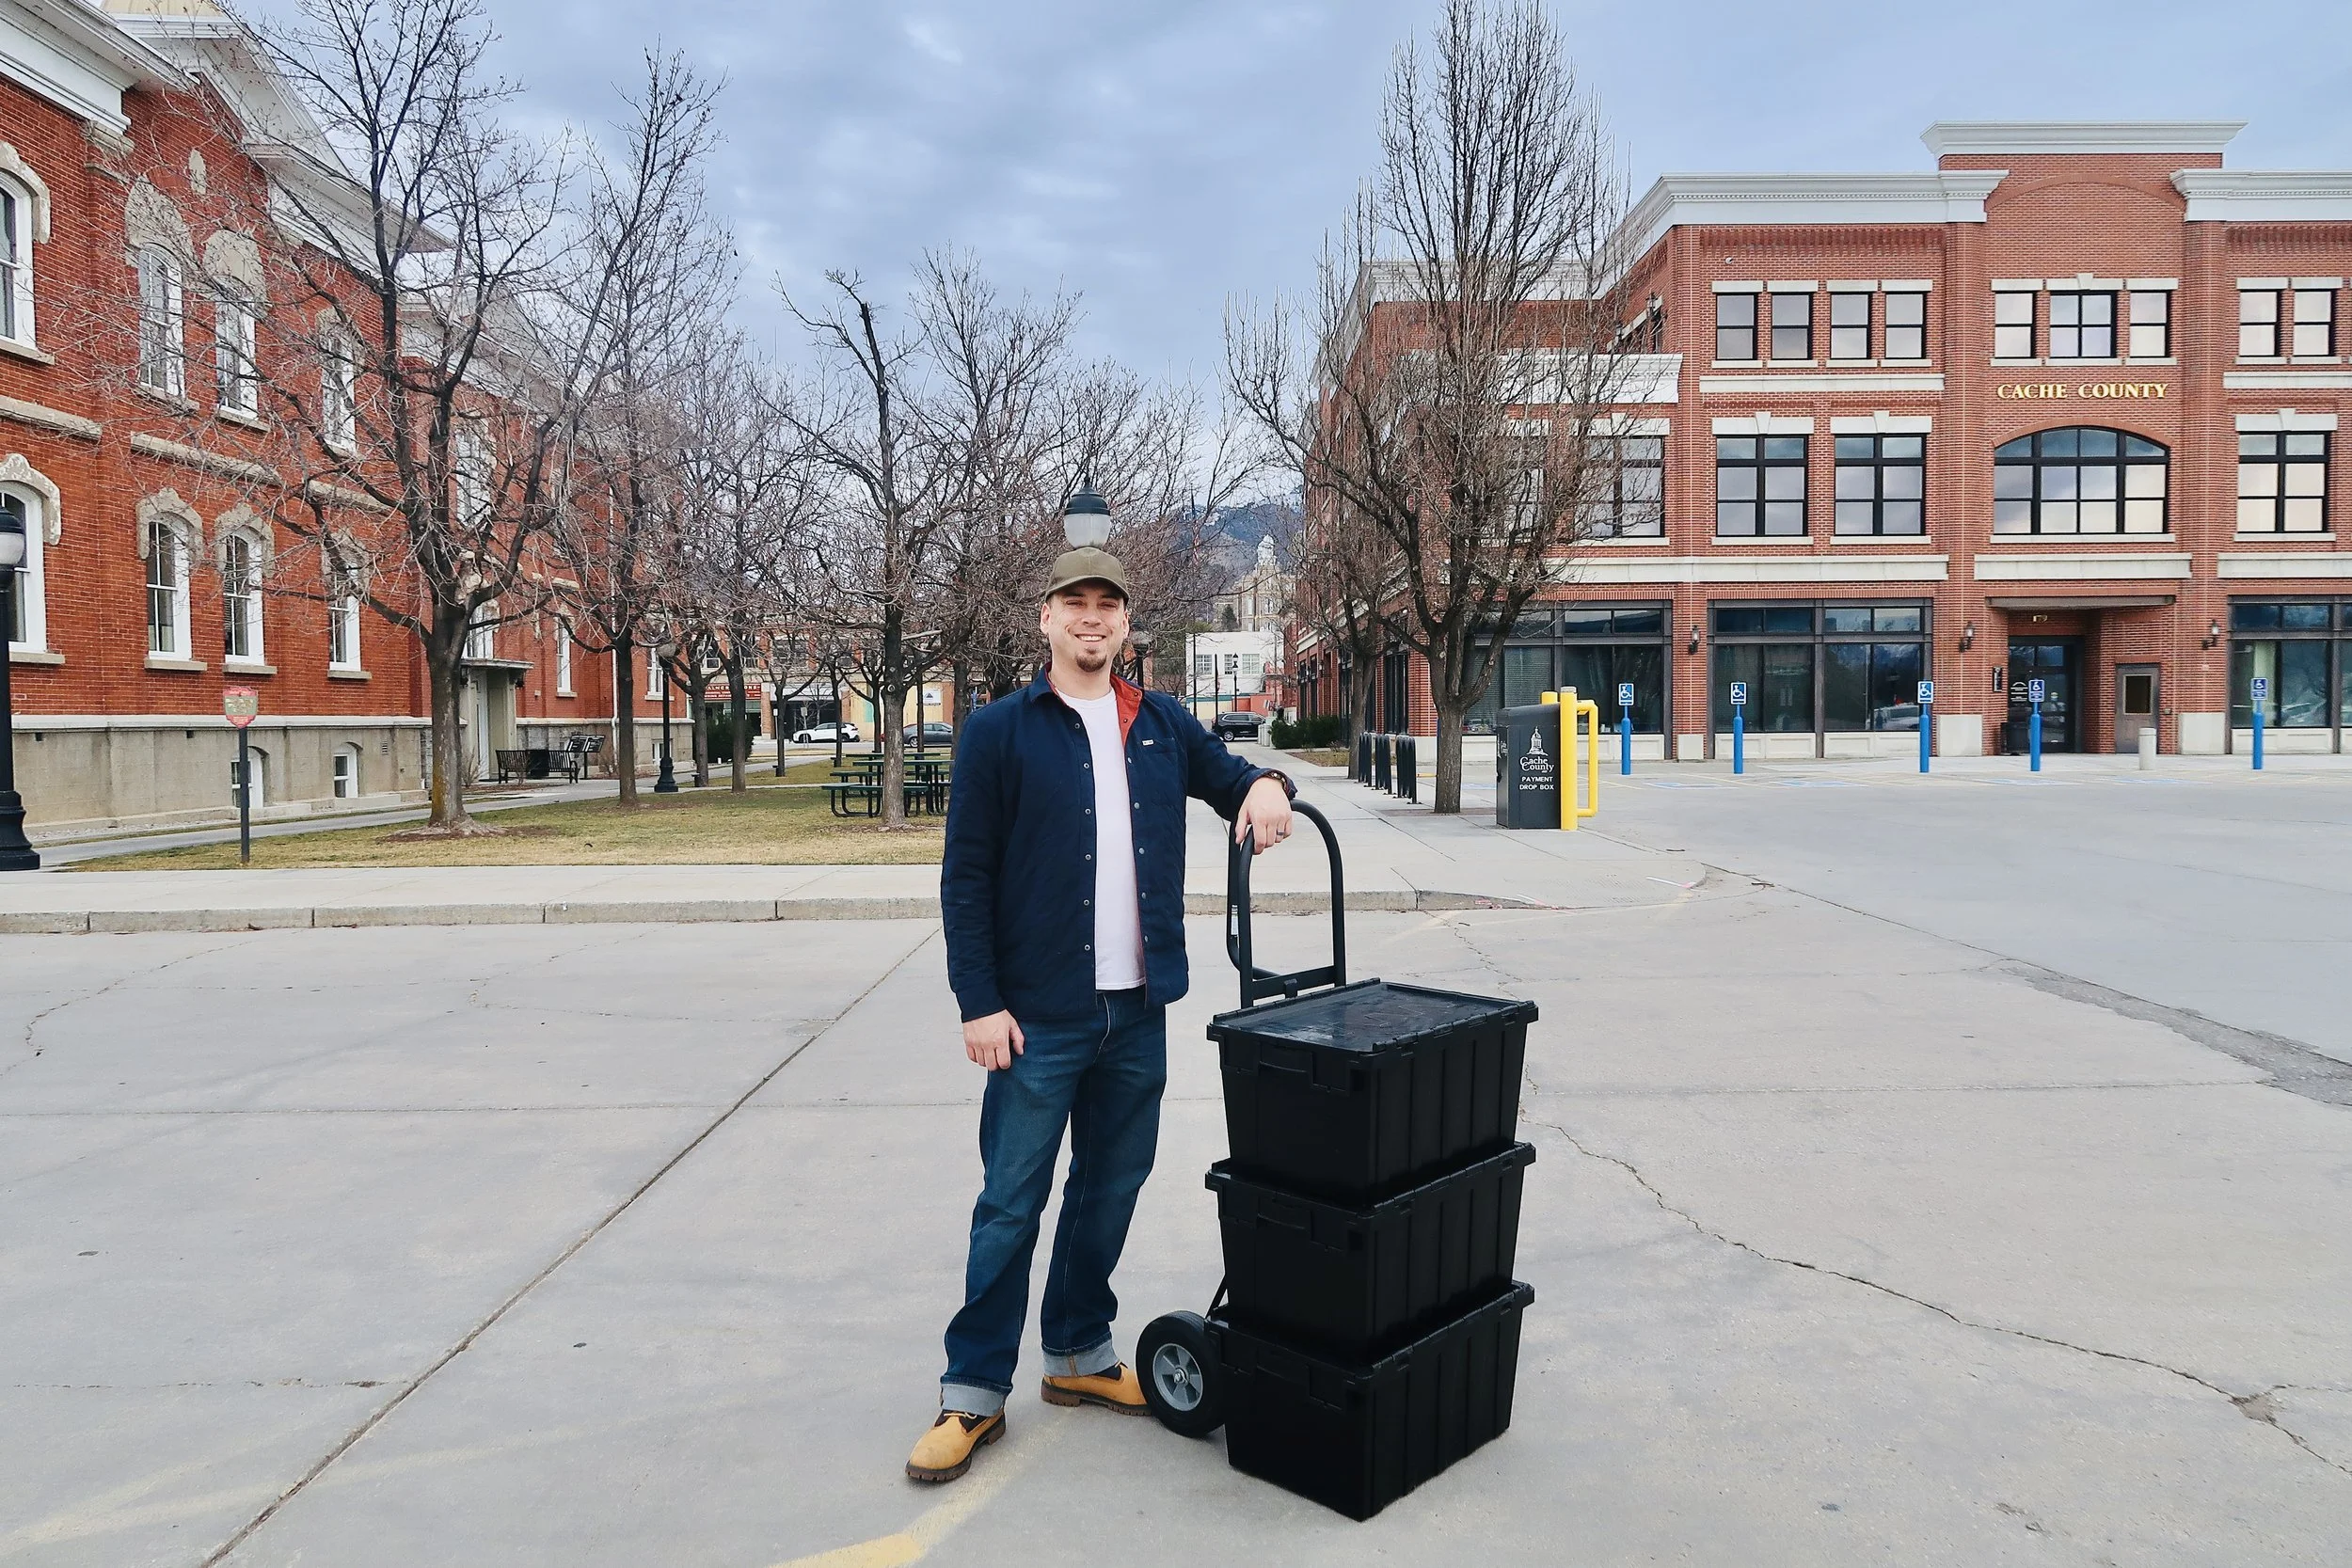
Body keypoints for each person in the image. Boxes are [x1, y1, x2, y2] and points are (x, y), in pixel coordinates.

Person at [907, 543, 1295, 1483]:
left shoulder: (1158, 722)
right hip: (1035, 1017)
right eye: (1073, 602)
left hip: (1137, 1010)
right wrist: (979, 1002)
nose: (1090, 618)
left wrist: (1270, 784)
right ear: (1044, 617)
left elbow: (1230, 774)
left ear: (1125, 623)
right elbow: (965, 879)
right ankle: (972, 1391)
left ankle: (1078, 1353)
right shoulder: (1000, 731)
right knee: (1010, 1200)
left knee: (1109, 1187)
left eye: (1106, 605)